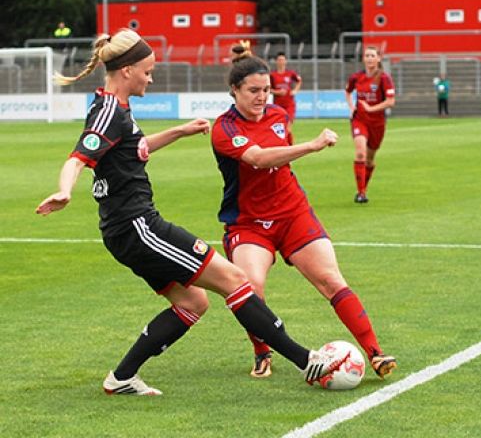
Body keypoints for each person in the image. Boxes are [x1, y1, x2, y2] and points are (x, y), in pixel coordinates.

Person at [35, 29, 342, 396]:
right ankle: (308, 361)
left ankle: (121, 378)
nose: (151, 77)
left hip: (126, 230)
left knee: (193, 302)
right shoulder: (108, 112)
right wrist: (65, 190)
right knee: (234, 280)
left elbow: (134, 149)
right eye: (147, 71)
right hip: (138, 227)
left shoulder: (116, 109)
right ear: (128, 70)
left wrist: (178, 131)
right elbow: (79, 157)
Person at [211, 45, 397, 380]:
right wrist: (312, 146)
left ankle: (375, 353)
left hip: (293, 212)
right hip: (249, 223)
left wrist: (294, 150)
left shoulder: (279, 116)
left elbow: (281, 158)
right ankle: (261, 351)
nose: (262, 97)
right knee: (250, 287)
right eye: (253, 90)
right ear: (234, 90)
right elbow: (257, 158)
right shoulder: (224, 128)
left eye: (266, 90)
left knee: (331, 280)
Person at [345, 46, 396, 204]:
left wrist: (371, 108)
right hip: (359, 119)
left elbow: (390, 101)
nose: (369, 58)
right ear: (363, 58)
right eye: (367, 55)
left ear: (378, 58)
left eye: (372, 55)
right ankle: (361, 193)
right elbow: (347, 91)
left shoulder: (384, 78)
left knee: (370, 160)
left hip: (377, 123)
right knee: (360, 153)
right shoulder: (356, 77)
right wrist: (352, 107)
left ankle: (363, 188)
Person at [270, 51, 302, 140]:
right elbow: (268, 89)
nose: (281, 62)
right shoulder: (272, 75)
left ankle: (289, 147)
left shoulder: (290, 73)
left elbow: (299, 80)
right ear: (276, 61)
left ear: (285, 61)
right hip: (277, 105)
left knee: (288, 127)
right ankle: (283, 146)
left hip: (289, 105)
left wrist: (295, 90)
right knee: (280, 128)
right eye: (279, 60)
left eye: (283, 60)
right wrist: (277, 92)